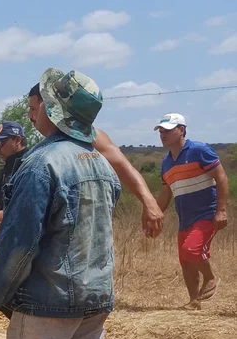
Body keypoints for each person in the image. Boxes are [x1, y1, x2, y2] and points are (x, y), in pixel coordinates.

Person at [0, 68, 121, 339]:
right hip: (96, 300)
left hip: (48, 305)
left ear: (52, 111)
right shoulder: (101, 165)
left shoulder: (40, 165)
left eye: (37, 106)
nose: (32, 113)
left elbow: (18, 246)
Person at [27, 82, 164, 238]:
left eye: (33, 109)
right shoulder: (41, 152)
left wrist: (149, 202)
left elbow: (122, 166)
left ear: (48, 107)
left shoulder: (91, 138)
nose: (30, 116)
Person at [154, 113, 228, 310]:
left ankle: (211, 277)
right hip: (184, 219)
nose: (163, 134)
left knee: (191, 250)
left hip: (206, 214)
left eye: (168, 130)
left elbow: (221, 178)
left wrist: (221, 210)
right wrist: (153, 215)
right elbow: (165, 194)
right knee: (186, 262)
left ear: (182, 130)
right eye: (161, 131)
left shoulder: (199, 150)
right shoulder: (166, 162)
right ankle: (194, 301)